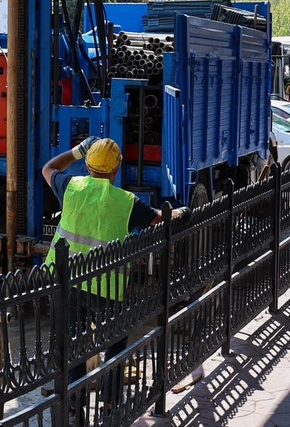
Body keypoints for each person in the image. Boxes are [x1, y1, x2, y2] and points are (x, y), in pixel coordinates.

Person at [41, 137, 187, 396]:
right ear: (117, 170)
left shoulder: (71, 187)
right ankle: (110, 401)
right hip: (106, 287)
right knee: (115, 341)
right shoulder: (127, 202)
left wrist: (77, 150)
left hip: (67, 280)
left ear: (87, 165)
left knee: (73, 344)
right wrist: (181, 213)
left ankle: (74, 404)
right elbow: (160, 218)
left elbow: (48, 168)